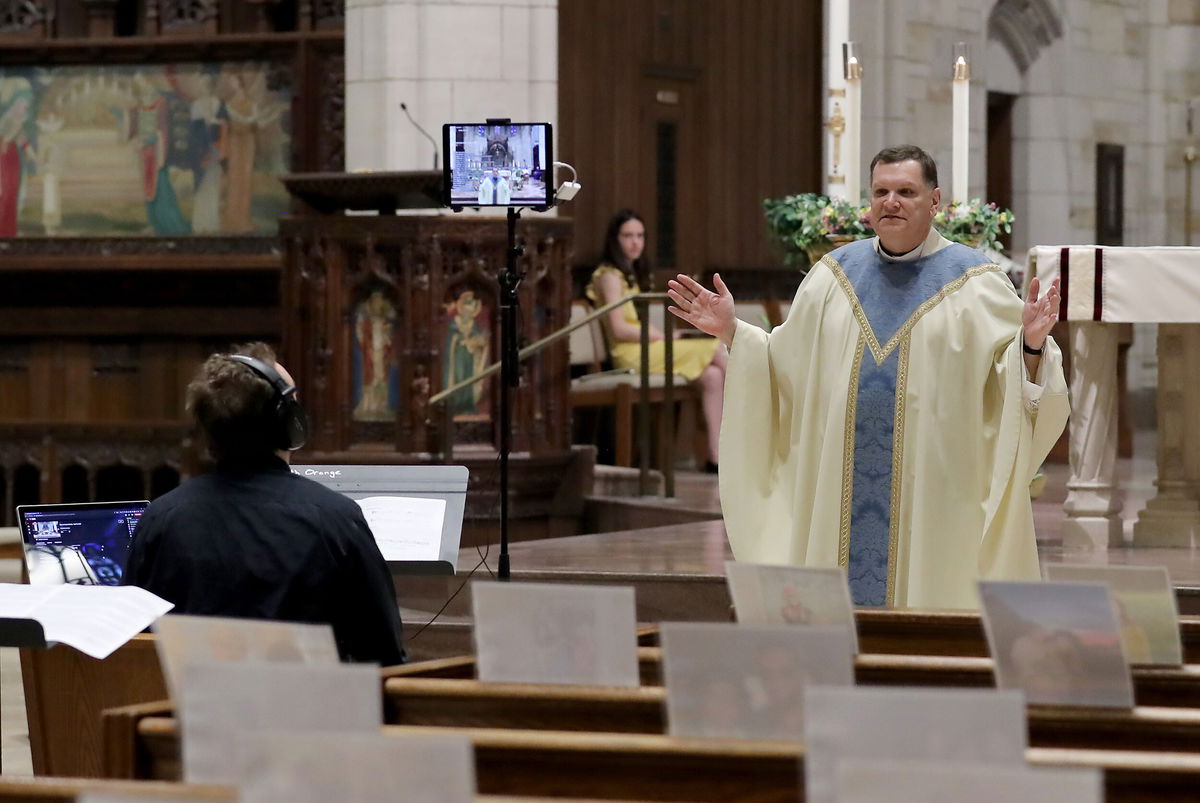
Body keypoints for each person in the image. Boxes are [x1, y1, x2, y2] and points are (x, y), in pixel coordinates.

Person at [667, 145, 1069, 608]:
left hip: (935, 496)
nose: (891, 202)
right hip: (839, 490)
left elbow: (1013, 388)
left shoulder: (977, 283)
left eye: (905, 191)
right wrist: (732, 331)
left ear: (935, 201)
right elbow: (785, 365)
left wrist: (1033, 342)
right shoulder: (832, 277)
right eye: (881, 191)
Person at [122, 342, 406, 665]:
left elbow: (136, 648)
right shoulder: (337, 520)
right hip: (311, 713)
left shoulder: (159, 520)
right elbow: (383, 654)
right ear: (290, 424)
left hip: (194, 713)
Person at [587, 209, 727, 471]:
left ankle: (716, 458)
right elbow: (618, 329)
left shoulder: (629, 275)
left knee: (712, 377)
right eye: (628, 235)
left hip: (645, 347)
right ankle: (766, 415)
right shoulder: (609, 275)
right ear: (614, 240)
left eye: (640, 235)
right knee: (716, 348)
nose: (635, 242)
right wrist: (659, 336)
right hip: (629, 353)